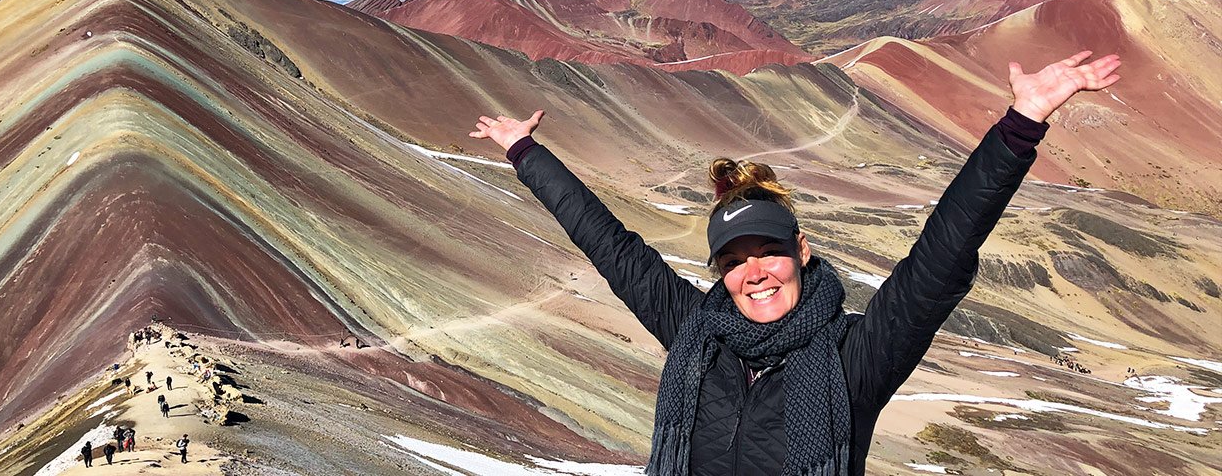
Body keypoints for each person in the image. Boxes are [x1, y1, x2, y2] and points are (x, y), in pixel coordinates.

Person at [468, 51, 1120, 475]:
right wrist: (525, 150)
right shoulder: (698, 334)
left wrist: (1020, 126)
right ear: (719, 270)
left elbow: (939, 260)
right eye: (734, 259)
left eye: (770, 252)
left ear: (801, 251)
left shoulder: (855, 360)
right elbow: (610, 246)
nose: (755, 273)